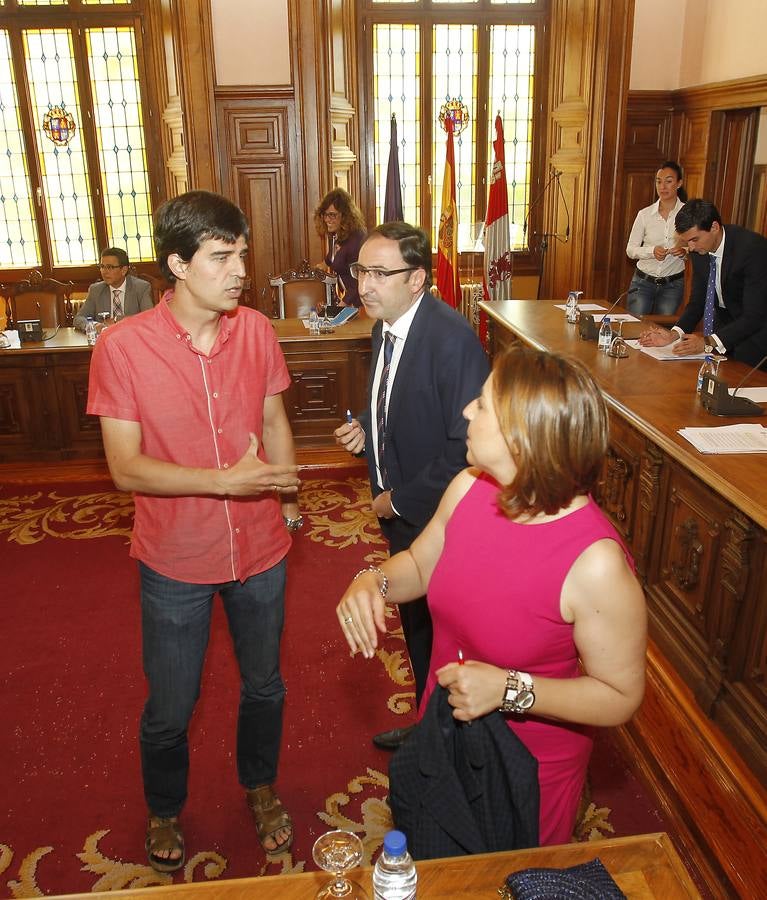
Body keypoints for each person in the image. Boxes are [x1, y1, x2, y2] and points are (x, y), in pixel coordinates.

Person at [336, 346, 647, 845]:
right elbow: (419, 564)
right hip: (444, 735)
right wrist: (374, 579)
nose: (466, 412)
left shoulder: (595, 564)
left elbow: (620, 697)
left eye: (481, 404)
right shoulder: (468, 488)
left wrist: (509, 689)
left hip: (524, 771)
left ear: (521, 434)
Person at [86, 190, 302, 872]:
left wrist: (287, 496)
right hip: (175, 558)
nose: (238, 268)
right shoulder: (122, 348)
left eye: (241, 253)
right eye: (220, 256)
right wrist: (223, 482)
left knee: (265, 684)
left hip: (263, 548)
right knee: (172, 706)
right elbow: (125, 469)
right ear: (178, 264)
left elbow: (272, 424)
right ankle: (164, 808)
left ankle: (260, 787)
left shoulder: (258, 331)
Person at [333, 222, 489, 750]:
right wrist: (367, 431)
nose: (364, 286)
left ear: (418, 278)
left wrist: (396, 499)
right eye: (361, 271)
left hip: (432, 513)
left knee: (443, 627)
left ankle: (447, 736)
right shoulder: (385, 323)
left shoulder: (452, 340)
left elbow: (465, 449)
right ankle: (428, 722)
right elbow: (394, 401)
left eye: (380, 273)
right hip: (398, 503)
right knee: (417, 623)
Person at [639, 199, 767, 365]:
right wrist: (674, 334)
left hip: (757, 337)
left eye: (694, 239)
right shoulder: (700, 250)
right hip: (725, 332)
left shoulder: (752, 249)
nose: (690, 248)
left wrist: (708, 342)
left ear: (714, 227)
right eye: (687, 242)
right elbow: (697, 302)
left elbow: (754, 315)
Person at [625, 161, 688, 316]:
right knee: (634, 328)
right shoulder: (644, 214)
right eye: (659, 181)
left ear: (679, 183)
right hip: (642, 282)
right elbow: (631, 250)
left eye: (668, 181)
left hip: (672, 285)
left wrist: (684, 250)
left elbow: (698, 245)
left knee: (662, 332)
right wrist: (652, 251)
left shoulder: (687, 213)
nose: (662, 187)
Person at [74, 247, 154, 331]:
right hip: (106, 340)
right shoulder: (96, 290)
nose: (104, 271)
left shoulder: (141, 288)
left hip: (133, 337)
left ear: (124, 270)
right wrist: (94, 325)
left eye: (110, 267)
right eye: (102, 266)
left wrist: (117, 320)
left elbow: (149, 318)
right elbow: (79, 318)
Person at [314, 187, 366, 307]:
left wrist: (340, 308)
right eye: (325, 214)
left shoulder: (356, 241)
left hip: (360, 305)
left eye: (332, 215)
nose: (327, 219)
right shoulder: (340, 235)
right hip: (350, 301)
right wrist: (320, 268)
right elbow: (331, 257)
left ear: (345, 216)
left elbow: (358, 282)